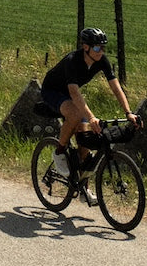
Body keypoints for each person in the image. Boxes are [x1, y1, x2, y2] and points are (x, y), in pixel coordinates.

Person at [40, 27, 141, 176]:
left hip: (70, 94)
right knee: (75, 114)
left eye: (103, 47)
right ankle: (59, 151)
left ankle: (83, 189)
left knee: (84, 139)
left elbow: (116, 88)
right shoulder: (72, 61)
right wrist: (91, 117)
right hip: (52, 91)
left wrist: (128, 113)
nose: (100, 51)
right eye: (96, 47)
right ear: (85, 47)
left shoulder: (101, 61)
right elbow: (74, 93)